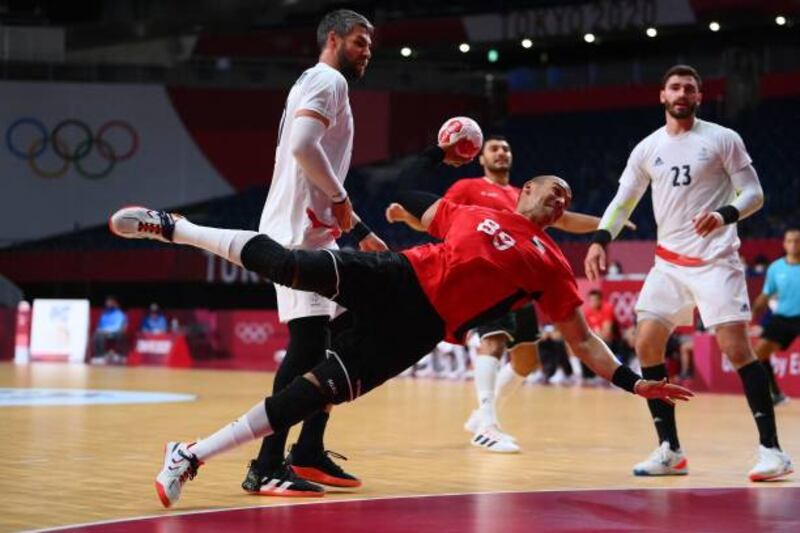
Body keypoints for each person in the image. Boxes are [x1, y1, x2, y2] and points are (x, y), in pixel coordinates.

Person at [109, 142, 692, 509]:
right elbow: (412, 195)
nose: (558, 199)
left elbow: (584, 341)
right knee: (291, 266)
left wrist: (633, 382)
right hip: (399, 274)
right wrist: (439, 156)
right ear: (526, 192)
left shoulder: (552, 264)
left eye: (565, 199)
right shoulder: (478, 208)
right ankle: (175, 227)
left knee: (310, 394)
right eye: (550, 190)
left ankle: (190, 454)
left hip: (417, 331)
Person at [584, 64, 793, 481]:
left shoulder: (721, 139)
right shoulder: (647, 148)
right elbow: (623, 200)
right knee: (646, 344)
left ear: (699, 97)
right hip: (669, 263)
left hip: (716, 259)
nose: (682, 93)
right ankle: (670, 450)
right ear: (662, 95)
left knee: (737, 350)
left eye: (690, 88)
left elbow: (754, 193)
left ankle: (773, 451)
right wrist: (600, 239)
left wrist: (723, 213)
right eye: (675, 87)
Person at [387, 135, 627, 452]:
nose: (502, 153)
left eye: (506, 149)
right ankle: (487, 423)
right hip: (482, 275)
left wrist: (608, 224)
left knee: (527, 361)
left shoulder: (525, 194)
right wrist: (407, 217)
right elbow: (439, 216)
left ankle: (481, 414)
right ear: (481, 159)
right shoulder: (468, 187)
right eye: (494, 149)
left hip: (520, 282)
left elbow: (566, 220)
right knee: (494, 339)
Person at [245, 9, 386, 497]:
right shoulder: (329, 81)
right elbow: (305, 146)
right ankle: (266, 463)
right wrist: (344, 201)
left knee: (343, 337)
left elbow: (310, 159)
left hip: (315, 233)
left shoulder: (316, 82)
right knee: (308, 349)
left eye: (370, 43)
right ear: (334, 38)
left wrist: (358, 227)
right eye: (360, 41)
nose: (368, 50)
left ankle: (307, 451)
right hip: (297, 238)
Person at [751, 228, 800, 406]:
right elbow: (766, 295)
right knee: (758, 354)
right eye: (790, 241)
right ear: (784, 244)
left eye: (797, 241)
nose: (794, 244)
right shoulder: (775, 268)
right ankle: (776, 394)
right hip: (783, 318)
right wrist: (753, 313)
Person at [91, 296, 128, 363]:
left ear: (115, 304)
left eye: (110, 303)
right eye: (107, 303)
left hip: (115, 332)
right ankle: (100, 356)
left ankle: (120, 355)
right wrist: (99, 329)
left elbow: (117, 327)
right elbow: (100, 325)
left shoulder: (119, 314)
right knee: (97, 334)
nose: (108, 304)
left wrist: (106, 330)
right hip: (105, 332)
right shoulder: (104, 314)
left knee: (121, 334)